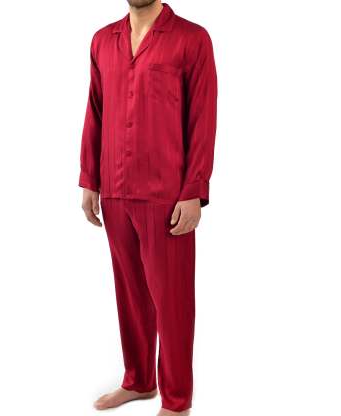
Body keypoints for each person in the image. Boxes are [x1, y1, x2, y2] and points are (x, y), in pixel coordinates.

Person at [79, 1, 217, 414]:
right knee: (130, 294)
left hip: (167, 194)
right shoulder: (102, 40)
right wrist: (89, 178)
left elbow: (203, 117)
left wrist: (194, 190)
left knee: (172, 300)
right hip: (115, 188)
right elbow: (95, 109)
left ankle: (177, 400)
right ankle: (139, 380)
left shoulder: (192, 39)